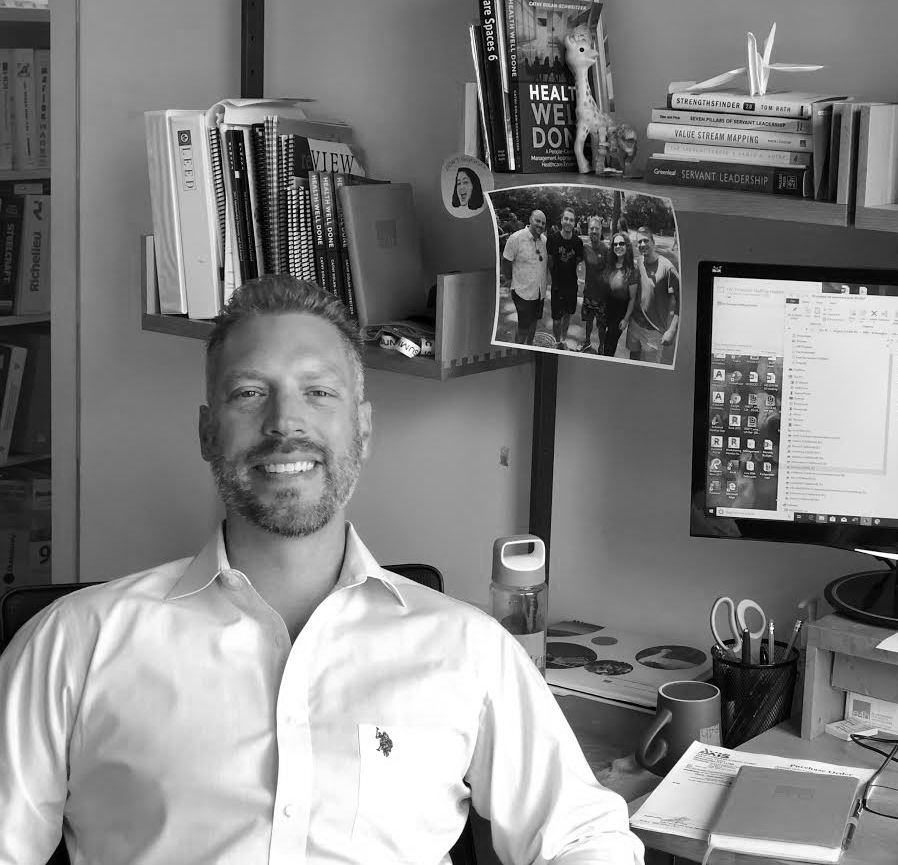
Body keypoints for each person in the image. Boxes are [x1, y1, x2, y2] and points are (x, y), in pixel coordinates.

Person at [0, 275, 644, 864]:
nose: (285, 423)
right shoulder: (74, 645)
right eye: (250, 393)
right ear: (206, 431)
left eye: (319, 392)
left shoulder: (468, 650)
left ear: (362, 429)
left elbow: (587, 840)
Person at [626, 226, 679, 363]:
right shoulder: (639, 262)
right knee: (633, 358)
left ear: (653, 241)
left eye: (645, 240)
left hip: (654, 330)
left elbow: (682, 301)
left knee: (649, 370)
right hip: (635, 323)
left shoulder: (667, 268)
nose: (642, 244)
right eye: (639, 242)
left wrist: (672, 330)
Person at [501, 208, 548, 344]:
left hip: (540, 292)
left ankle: (530, 346)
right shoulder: (516, 238)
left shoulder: (544, 240)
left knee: (534, 322)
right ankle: (519, 351)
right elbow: (506, 260)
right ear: (530, 220)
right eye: (537, 221)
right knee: (523, 327)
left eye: (543, 223)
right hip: (523, 292)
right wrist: (510, 280)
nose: (540, 225)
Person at [547, 207, 584, 350]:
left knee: (568, 315)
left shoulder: (578, 242)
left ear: (574, 223)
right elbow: (550, 262)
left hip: (571, 286)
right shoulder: (552, 239)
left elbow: (577, 261)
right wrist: (556, 276)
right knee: (556, 320)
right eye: (566, 219)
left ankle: (563, 339)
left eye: (571, 220)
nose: (568, 222)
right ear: (562, 220)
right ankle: (557, 341)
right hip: (557, 286)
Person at [601, 230, 638, 358]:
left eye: (621, 243)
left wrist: (626, 319)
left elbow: (632, 298)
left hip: (619, 312)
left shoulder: (632, 270)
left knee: (610, 344)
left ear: (627, 246)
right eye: (615, 244)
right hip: (607, 308)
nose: (618, 247)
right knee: (606, 340)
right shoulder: (610, 264)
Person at [580, 215, 611, 353]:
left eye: (596, 229)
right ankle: (586, 342)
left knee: (601, 326)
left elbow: (613, 272)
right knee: (588, 321)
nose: (593, 231)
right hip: (588, 294)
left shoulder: (606, 250)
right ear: (588, 230)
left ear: (600, 231)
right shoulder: (584, 248)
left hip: (602, 297)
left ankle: (601, 346)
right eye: (591, 228)